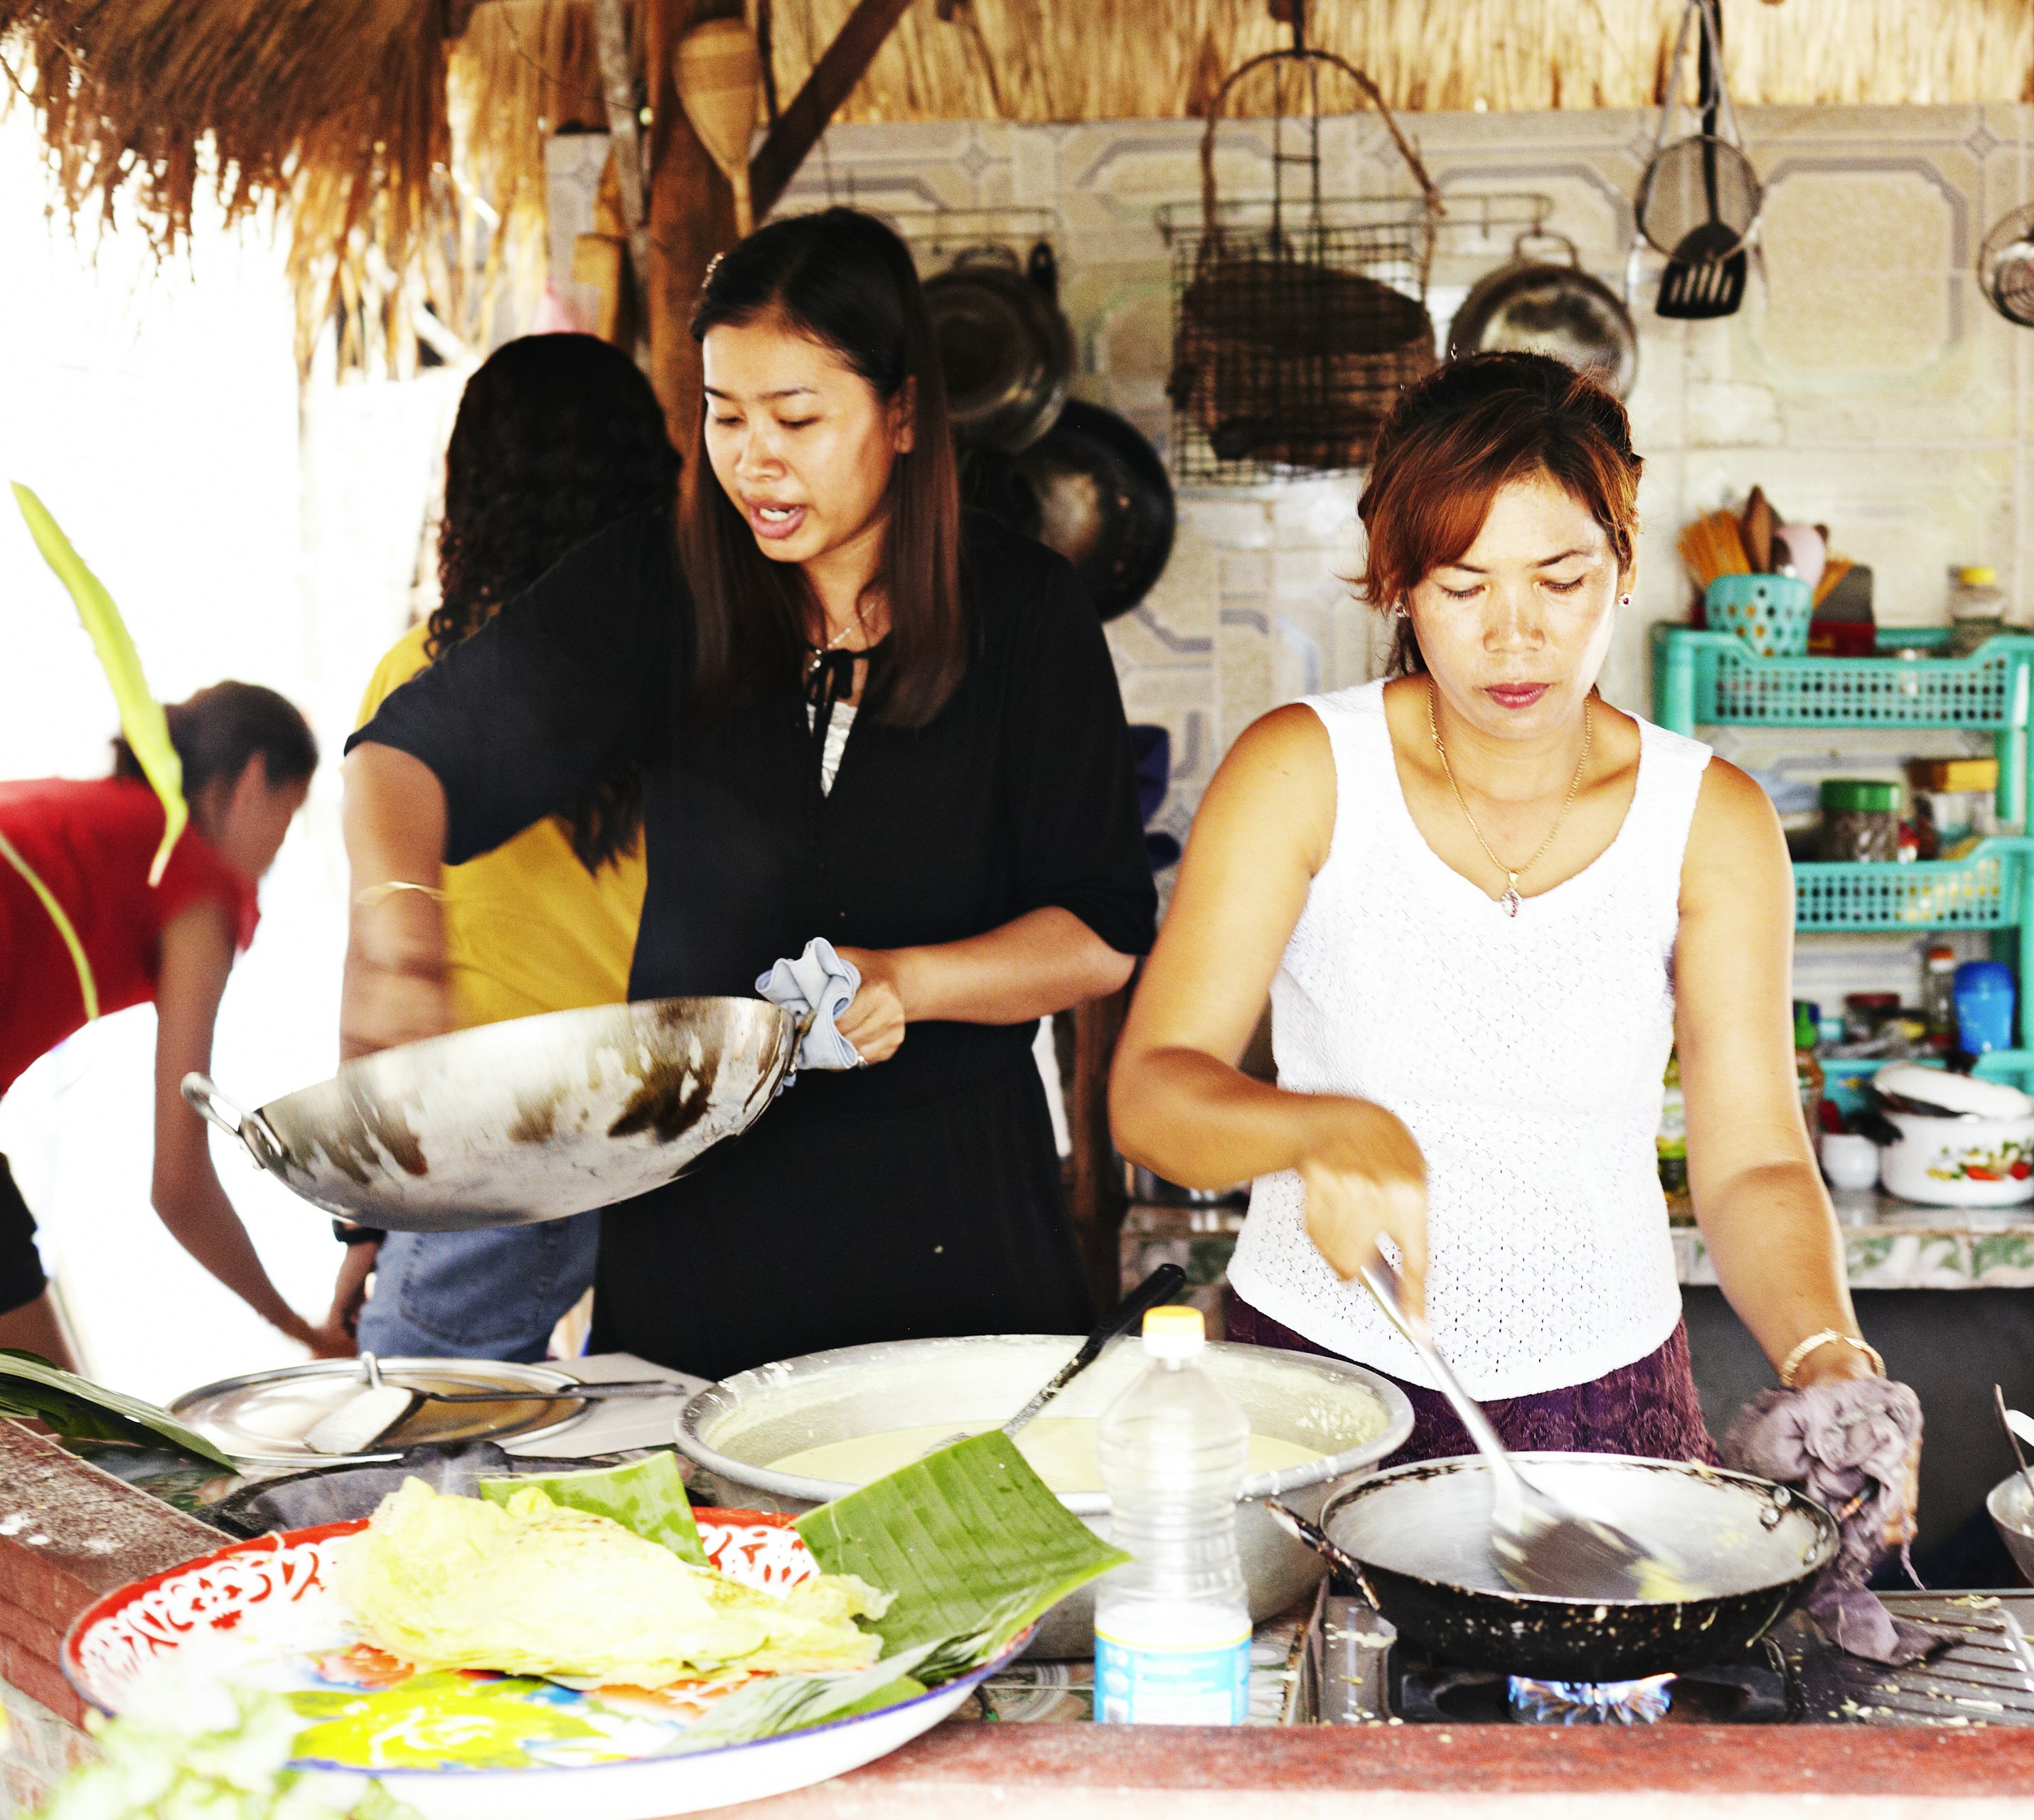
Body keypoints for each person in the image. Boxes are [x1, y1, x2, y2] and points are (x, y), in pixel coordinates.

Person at [341, 208, 1157, 1382]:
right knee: (709, 1555)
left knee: (962, 1554)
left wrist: (912, 981)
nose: (754, 459)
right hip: (698, 1231)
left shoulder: (1025, 613)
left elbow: (1099, 934)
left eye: (797, 418)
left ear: (905, 414)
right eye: (724, 416)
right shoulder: (659, 587)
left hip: (953, 1224)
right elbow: (403, 755)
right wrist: (397, 928)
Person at [1110, 352, 1902, 1471]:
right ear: (1397, 582)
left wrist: (1830, 1356)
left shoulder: (1709, 821)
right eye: (1463, 585)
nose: (1514, 634)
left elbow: (1753, 1162)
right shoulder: (1303, 771)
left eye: (1561, 580)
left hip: (1609, 1409)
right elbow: (1152, 1093)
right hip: (1313, 1394)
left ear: (1624, 566)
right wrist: (1323, 1129)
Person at [331, 333, 681, 1362]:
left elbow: (376, 954)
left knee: (422, 1440)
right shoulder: (688, 671)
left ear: (471, 486)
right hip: (669, 1109)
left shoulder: (421, 686)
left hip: (495, 1126)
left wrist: (364, 1214)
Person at [0, 683, 346, 1365]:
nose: (282, 843)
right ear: (252, 782)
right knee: (59, 1442)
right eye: (292, 809)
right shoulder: (193, 879)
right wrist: (307, 1332)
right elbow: (179, 1186)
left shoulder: (84, 815)